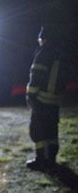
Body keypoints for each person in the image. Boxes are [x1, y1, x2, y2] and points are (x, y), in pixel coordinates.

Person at [25, 25, 66, 170]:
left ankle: (40, 159)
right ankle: (51, 159)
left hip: (41, 99)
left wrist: (30, 95)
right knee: (51, 129)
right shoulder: (60, 52)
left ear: (43, 39)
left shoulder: (43, 52)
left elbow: (36, 75)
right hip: (55, 99)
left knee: (37, 129)